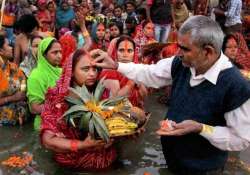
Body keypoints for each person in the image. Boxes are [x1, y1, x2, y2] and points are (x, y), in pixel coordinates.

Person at [91, 16, 250, 174]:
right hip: (174, 160)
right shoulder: (181, 63)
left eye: (185, 49)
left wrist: (200, 128)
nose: (178, 53)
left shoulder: (236, 86)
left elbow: (241, 139)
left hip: (204, 169)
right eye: (178, 46)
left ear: (208, 51)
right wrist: (116, 65)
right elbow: (150, 73)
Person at [41, 49, 116, 170]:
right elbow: (47, 141)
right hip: (71, 162)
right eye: (85, 69)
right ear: (71, 72)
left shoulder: (103, 92)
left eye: (95, 69)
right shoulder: (56, 98)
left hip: (105, 158)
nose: (92, 74)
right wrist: (82, 145)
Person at [99, 35, 148, 108]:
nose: (125, 55)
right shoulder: (109, 71)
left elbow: (144, 95)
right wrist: (133, 80)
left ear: (134, 53)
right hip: (114, 114)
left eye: (129, 51)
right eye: (121, 50)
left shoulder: (136, 68)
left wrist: (139, 83)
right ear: (116, 52)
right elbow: (114, 100)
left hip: (133, 111)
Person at [27, 37, 62, 130]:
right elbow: (35, 108)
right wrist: (61, 107)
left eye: (60, 52)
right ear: (44, 55)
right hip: (45, 125)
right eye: (55, 52)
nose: (59, 56)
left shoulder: (61, 71)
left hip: (63, 120)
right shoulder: (36, 76)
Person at [0, 35, 27, 125]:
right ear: (1, 51)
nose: (12, 48)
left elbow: (23, 80)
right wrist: (12, 98)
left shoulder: (13, 67)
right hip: (3, 123)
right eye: (8, 45)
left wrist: (22, 91)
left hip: (19, 118)